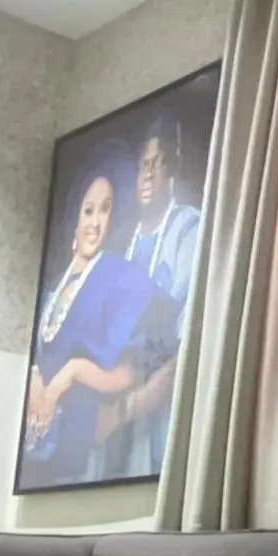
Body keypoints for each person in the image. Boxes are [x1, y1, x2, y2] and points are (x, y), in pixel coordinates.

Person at [19, 140, 178, 491]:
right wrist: (35, 377)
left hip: (81, 454)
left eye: (105, 210)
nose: (94, 223)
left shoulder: (121, 280)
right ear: (74, 220)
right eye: (88, 211)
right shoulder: (50, 292)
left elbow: (129, 374)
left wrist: (71, 373)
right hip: (33, 456)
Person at [97, 116, 202, 475]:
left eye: (158, 164)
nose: (149, 174)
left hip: (161, 431)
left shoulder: (188, 230)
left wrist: (123, 411)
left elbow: (190, 348)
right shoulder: (122, 247)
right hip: (117, 436)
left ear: (173, 170)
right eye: (144, 164)